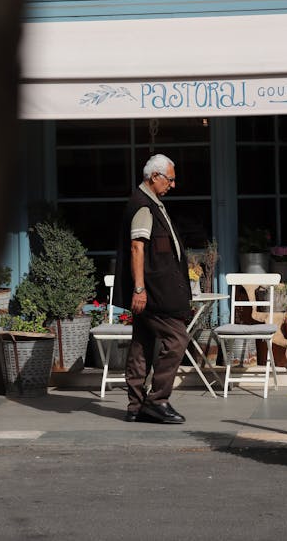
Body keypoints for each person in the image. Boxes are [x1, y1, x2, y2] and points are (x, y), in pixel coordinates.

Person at [113, 153, 191, 424]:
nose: (173, 184)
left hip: (153, 291)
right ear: (154, 176)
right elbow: (137, 248)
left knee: (142, 343)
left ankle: (135, 405)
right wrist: (139, 290)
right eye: (170, 179)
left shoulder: (152, 203)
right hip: (154, 293)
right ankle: (157, 401)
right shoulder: (143, 206)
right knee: (178, 339)